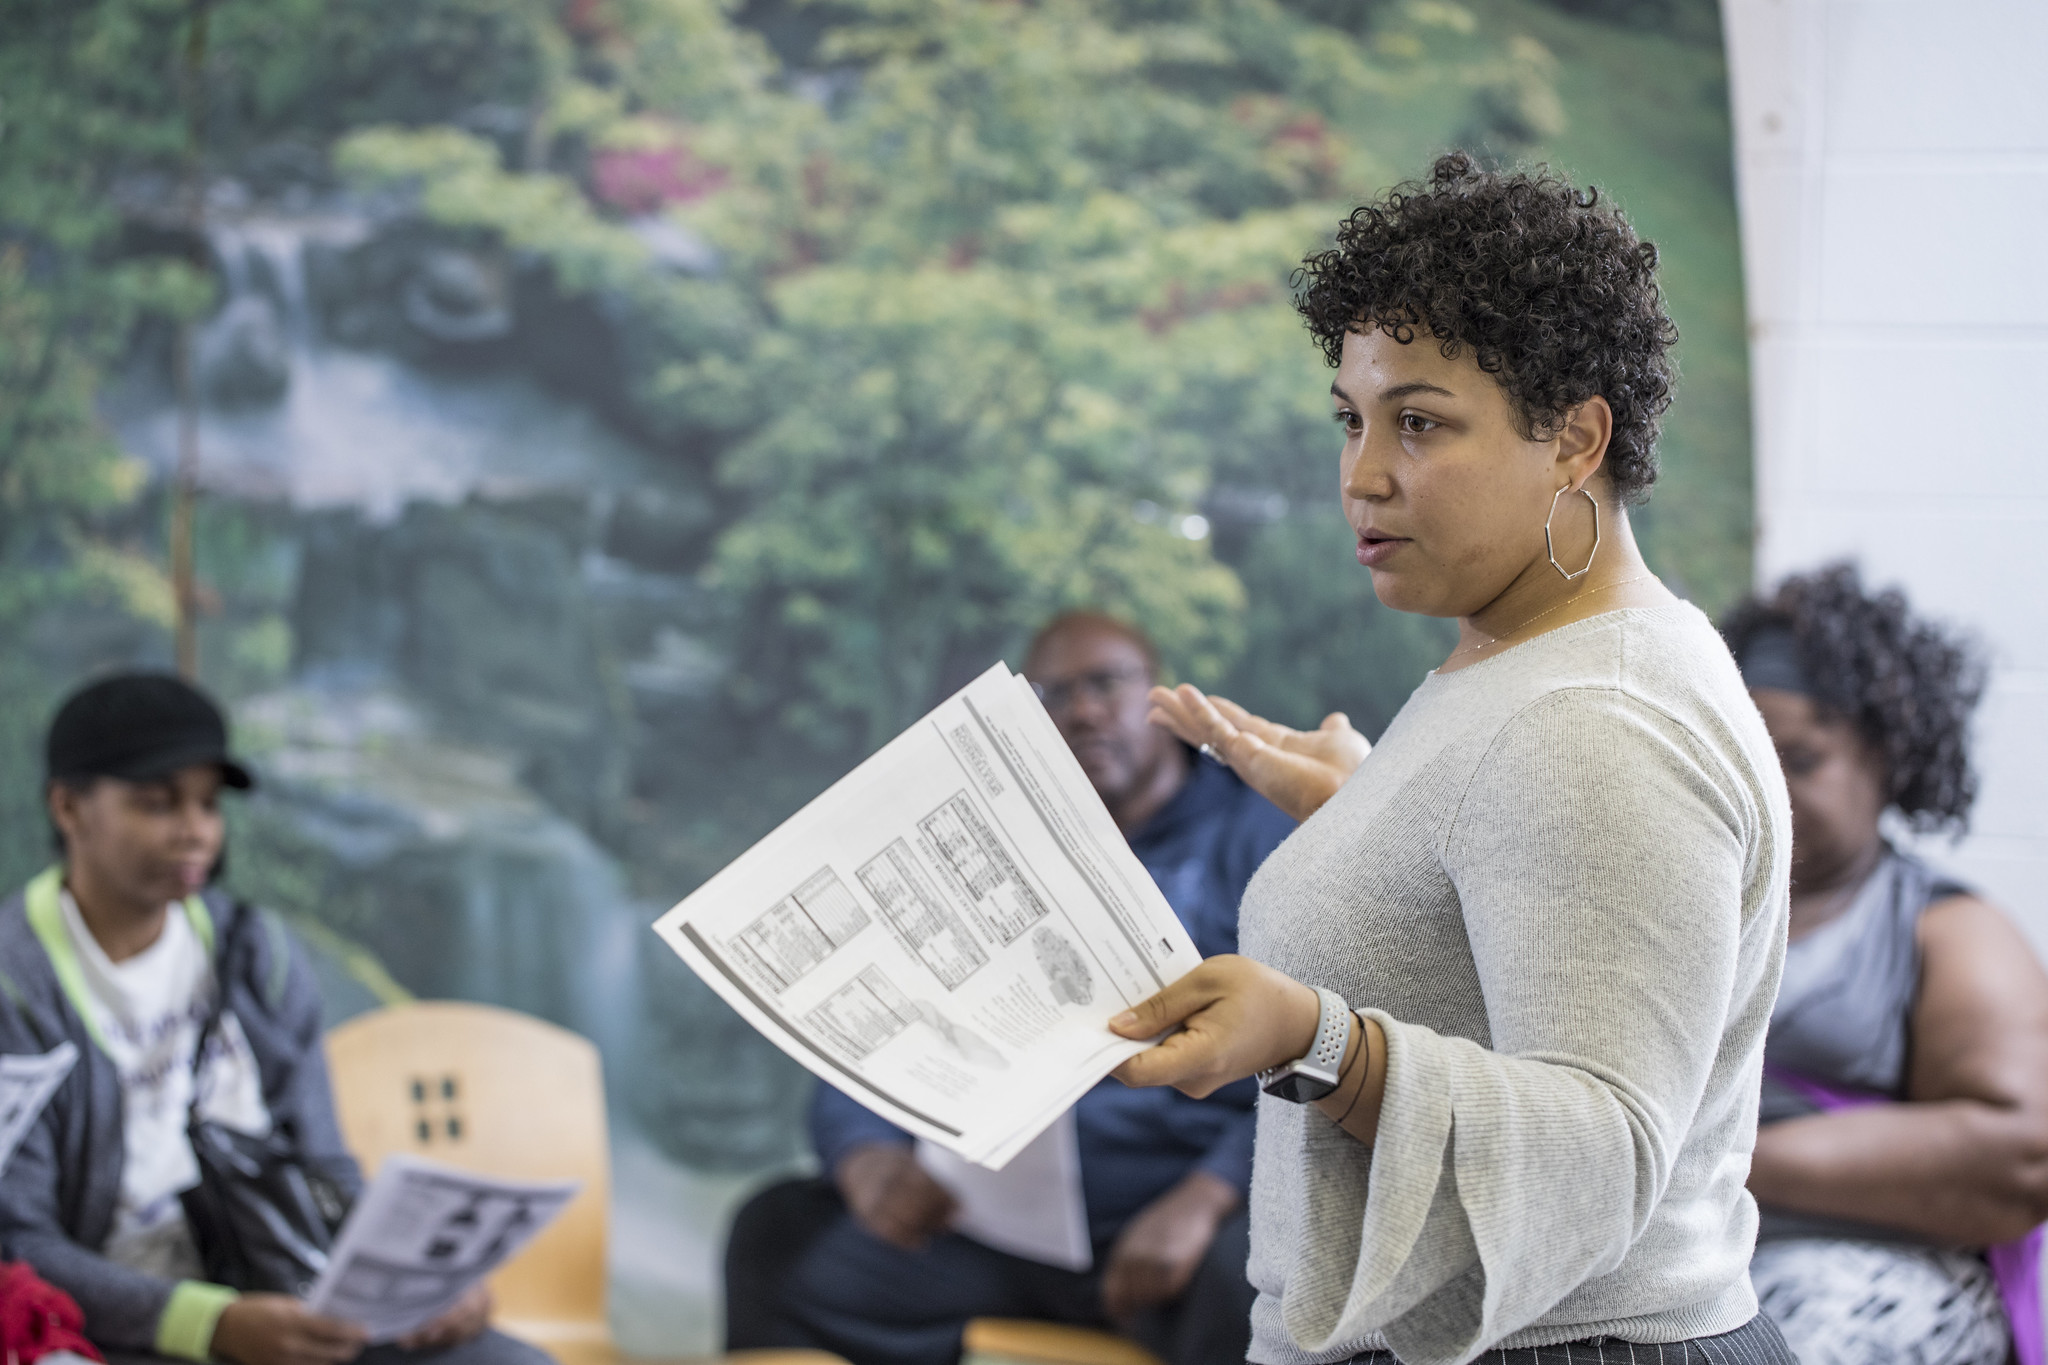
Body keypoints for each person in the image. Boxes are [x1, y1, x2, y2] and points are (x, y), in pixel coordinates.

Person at [1105, 153, 1800, 1364]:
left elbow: (1601, 1145)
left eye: (1418, 422)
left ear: (1574, 438)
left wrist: (1311, 1039)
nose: (1360, 474)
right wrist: (1378, 815)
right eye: (1352, 419)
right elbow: (1502, 903)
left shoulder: (1597, 720)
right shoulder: (1527, 653)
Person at [723, 612, 1296, 1365]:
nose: (1084, 709)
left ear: (1160, 697)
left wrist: (1213, 1193)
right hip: (988, 1224)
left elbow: (1320, 1047)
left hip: (1177, 1221)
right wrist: (863, 1152)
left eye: (1107, 683)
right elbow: (876, 1005)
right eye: (1054, 693)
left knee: (1265, 1279)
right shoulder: (977, 835)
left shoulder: (1261, 835)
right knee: (779, 1233)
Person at [0, 673, 550, 1365]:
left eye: (208, 803)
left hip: (278, 1292)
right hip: (114, 1325)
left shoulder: (258, 953)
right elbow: (21, 1242)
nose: (196, 831)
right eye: (157, 803)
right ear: (68, 808)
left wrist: (421, 1288)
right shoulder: (16, 989)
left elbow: (322, 1162)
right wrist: (211, 1324)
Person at [1721, 565, 2048, 1365]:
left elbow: (2020, 1154)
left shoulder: (1947, 930)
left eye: (1800, 759)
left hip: (1875, 1278)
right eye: (1743, 755)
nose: (1769, 788)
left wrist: (1718, 1163)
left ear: (1889, 759)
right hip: (1690, 1272)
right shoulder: (1684, 905)